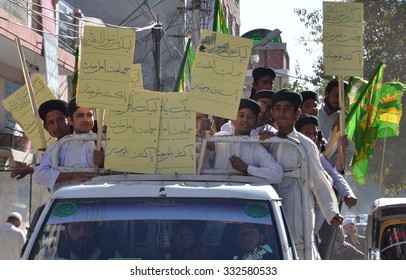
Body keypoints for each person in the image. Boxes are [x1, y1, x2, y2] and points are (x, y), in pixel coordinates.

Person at [262, 89, 343, 260]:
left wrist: (330, 212)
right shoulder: (265, 139)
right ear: (272, 112)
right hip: (268, 210)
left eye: (287, 108)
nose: (282, 113)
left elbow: (319, 180)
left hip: (298, 209)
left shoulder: (306, 145)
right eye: (278, 108)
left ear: (297, 113)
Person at [294, 114, 357, 259]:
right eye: (307, 133)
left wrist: (348, 193)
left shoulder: (318, 157)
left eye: (314, 134)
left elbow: (334, 176)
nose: (312, 138)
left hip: (313, 219)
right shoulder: (287, 149)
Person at [34, 98, 103, 192]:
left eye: (89, 115)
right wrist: (72, 176)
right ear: (70, 120)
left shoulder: (103, 142)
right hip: (70, 202)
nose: (86, 120)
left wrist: (105, 162)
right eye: (80, 115)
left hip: (100, 199)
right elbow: (40, 175)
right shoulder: (59, 146)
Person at [207, 99, 283, 183]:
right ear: (233, 120)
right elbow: (203, 155)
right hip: (218, 192)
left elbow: (277, 174)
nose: (245, 120)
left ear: (255, 122)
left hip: (244, 194)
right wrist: (204, 134)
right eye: (241, 115)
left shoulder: (255, 147)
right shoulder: (219, 139)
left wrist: (246, 168)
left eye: (250, 117)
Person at [55, 222, 121, 260]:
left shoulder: (113, 257)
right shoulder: (55, 258)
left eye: (87, 228)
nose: (82, 233)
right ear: (66, 233)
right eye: (76, 228)